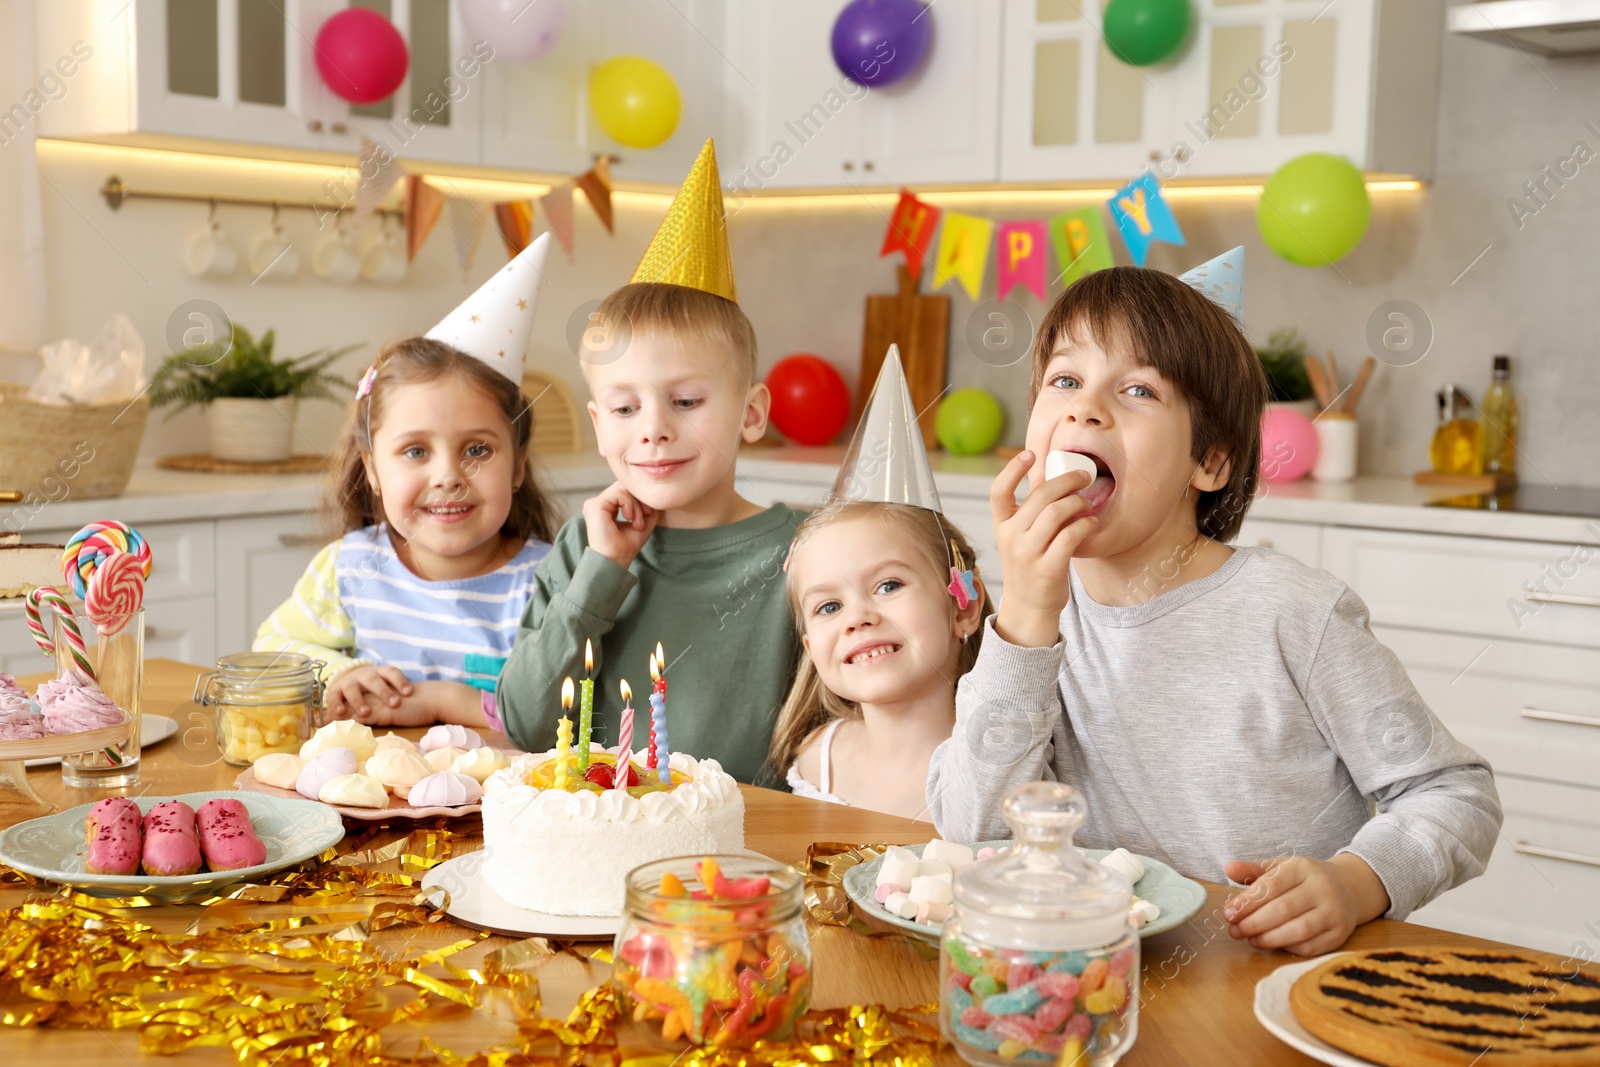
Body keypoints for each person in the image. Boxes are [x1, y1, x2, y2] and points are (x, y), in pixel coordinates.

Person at [928, 248, 1503, 956]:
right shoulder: (1029, 624)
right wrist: (1023, 620)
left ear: (1213, 461)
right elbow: (971, 832)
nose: (1086, 406)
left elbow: (1456, 794)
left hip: (1272, 990)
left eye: (1137, 390)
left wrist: (1357, 882)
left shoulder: (1293, 612)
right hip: (1100, 991)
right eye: (1066, 378)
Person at [497, 141, 803, 783]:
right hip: (604, 839)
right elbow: (525, 725)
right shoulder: (587, 547)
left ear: (751, 413)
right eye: (625, 408)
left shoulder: (806, 552)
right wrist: (603, 570)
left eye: (686, 400)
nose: (655, 431)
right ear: (597, 423)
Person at [256, 237, 560, 730]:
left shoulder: (549, 585)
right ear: (373, 469)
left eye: (477, 450)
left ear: (518, 464)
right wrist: (338, 675)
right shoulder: (349, 570)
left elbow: (570, 714)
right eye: (416, 451)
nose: (447, 477)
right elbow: (271, 651)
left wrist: (444, 701)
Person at [770, 500, 988, 820]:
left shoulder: (1001, 764)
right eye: (829, 607)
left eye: (889, 586)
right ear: (811, 649)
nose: (857, 618)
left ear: (963, 607)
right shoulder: (818, 760)